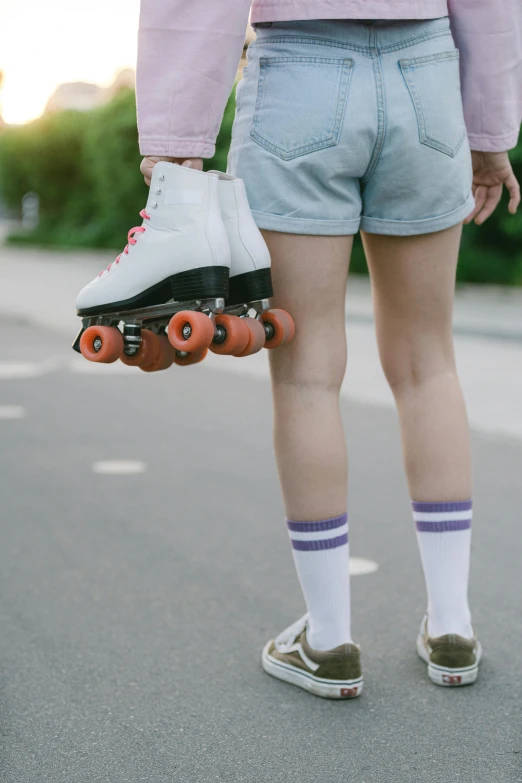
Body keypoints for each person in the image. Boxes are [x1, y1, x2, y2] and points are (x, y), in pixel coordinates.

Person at [134, 1, 521, 697]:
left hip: (299, 73)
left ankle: (330, 637)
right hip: (427, 74)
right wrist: (491, 132)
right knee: (429, 362)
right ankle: (454, 626)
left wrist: (176, 135)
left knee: (307, 373)